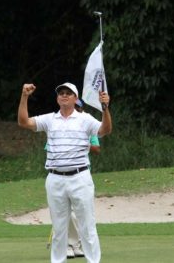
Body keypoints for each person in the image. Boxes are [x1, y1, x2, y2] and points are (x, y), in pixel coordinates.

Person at [18, 82, 112, 263]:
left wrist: (105, 108)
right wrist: (24, 96)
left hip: (80, 177)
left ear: (76, 98)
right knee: (59, 228)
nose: (64, 95)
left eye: (69, 93)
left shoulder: (85, 119)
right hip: (55, 179)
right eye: (61, 93)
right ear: (57, 98)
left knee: (87, 226)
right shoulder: (49, 119)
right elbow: (23, 122)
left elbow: (105, 130)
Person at [67, 99, 100, 259]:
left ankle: (77, 244)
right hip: (63, 174)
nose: (77, 110)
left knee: (81, 212)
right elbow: (50, 148)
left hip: (83, 174)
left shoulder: (88, 124)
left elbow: (97, 148)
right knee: (68, 213)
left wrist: (84, 143)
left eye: (79, 107)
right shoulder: (61, 124)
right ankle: (68, 244)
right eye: (75, 107)